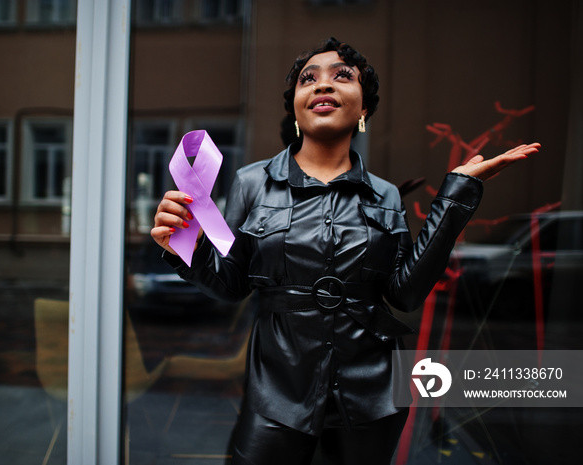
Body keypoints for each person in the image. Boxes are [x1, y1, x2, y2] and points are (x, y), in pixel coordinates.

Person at [150, 37, 540, 465]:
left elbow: (404, 294)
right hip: (277, 393)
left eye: (342, 76)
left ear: (364, 109)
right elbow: (231, 285)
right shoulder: (251, 183)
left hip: (370, 395)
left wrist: (455, 196)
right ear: (295, 108)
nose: (322, 86)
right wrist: (181, 248)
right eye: (308, 79)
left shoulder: (385, 195)